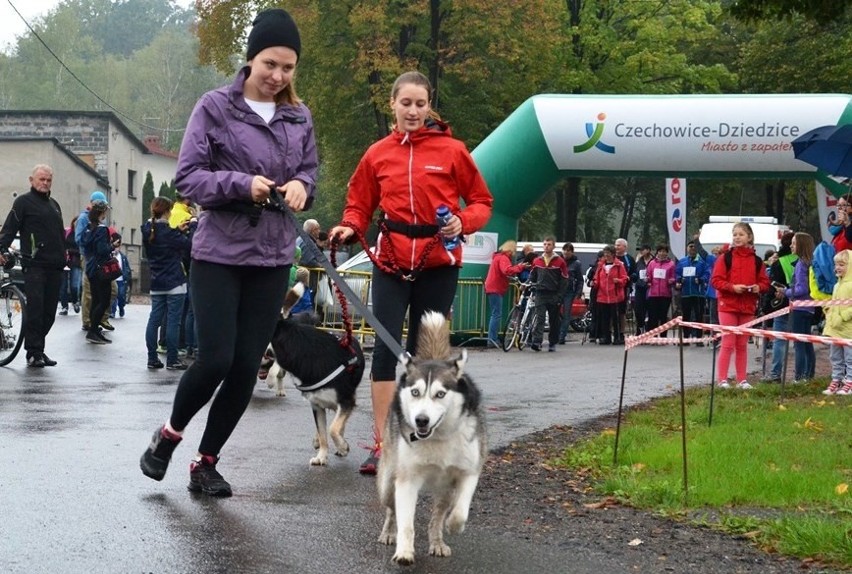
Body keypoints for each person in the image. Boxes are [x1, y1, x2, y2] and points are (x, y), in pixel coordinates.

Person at [139, 7, 316, 497]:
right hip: (219, 253)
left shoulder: (299, 116)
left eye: (288, 68)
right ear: (251, 59)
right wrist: (243, 184)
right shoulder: (215, 107)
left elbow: (310, 172)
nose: (278, 77)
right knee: (215, 358)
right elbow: (188, 178)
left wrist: (302, 186)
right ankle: (169, 436)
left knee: (244, 366)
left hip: (273, 256)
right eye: (270, 65)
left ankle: (206, 463)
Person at [329, 70, 493, 475]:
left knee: (428, 356)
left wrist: (462, 221)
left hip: (438, 262)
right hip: (391, 260)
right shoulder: (377, 153)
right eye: (406, 103)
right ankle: (386, 444)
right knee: (385, 348)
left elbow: (481, 201)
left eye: (421, 104)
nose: (414, 111)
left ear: (429, 105)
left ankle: (427, 436)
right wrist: (350, 227)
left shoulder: (453, 150)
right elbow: (359, 204)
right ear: (393, 105)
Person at [0, 164, 64, 367]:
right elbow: (9, 229)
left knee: (49, 314)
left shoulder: (54, 204)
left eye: (48, 180)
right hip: (34, 264)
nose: (45, 183)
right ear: (32, 180)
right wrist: (1, 249)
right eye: (41, 179)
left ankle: (38, 348)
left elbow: (59, 235)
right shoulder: (23, 203)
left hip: (55, 266)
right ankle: (33, 352)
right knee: (35, 310)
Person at [711, 223, 770, 389]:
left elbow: (765, 282)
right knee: (728, 343)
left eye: (741, 234)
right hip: (727, 305)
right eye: (734, 234)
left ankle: (741, 379)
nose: (737, 237)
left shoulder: (757, 261)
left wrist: (759, 287)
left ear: (749, 237)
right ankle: (722, 379)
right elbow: (716, 280)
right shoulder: (725, 258)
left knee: (742, 345)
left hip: (748, 306)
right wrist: (733, 288)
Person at [142, 197, 193, 370]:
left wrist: (176, 230)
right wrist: (190, 229)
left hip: (156, 281)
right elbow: (189, 245)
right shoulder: (170, 234)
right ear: (166, 211)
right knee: (173, 322)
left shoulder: (147, 230)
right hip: (175, 282)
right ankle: (172, 360)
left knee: (154, 320)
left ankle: (152, 358)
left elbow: (164, 236)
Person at [776, 232, 815, 384]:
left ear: (801, 245)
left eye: (793, 243)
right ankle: (809, 375)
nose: (791, 245)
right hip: (810, 307)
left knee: (799, 343)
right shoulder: (809, 262)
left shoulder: (800, 264)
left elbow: (801, 289)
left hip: (799, 307)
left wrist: (784, 291)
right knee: (808, 342)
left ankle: (799, 377)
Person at [75, 191, 114, 333]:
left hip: (97, 259)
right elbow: (79, 239)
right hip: (89, 258)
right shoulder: (84, 219)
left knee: (108, 291)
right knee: (90, 293)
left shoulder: (98, 222)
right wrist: (95, 241)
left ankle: (100, 319)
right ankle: (89, 322)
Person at [762, 231, 797, 382]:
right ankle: (804, 375)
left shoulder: (779, 262)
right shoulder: (803, 259)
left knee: (779, 340)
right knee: (802, 342)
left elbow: (772, 286)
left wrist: (766, 306)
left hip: (782, 304)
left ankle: (776, 374)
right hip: (803, 304)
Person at [484, 239, 527, 348]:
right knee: (496, 314)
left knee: (495, 313)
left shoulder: (498, 257)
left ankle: (492, 338)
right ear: (510, 250)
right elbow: (506, 270)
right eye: (514, 251)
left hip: (492, 287)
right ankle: (492, 339)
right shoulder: (503, 258)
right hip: (496, 288)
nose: (514, 254)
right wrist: (520, 267)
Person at [529, 237, 568, 352]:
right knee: (540, 318)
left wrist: (560, 296)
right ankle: (537, 341)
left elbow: (564, 280)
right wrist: (530, 284)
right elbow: (533, 275)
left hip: (553, 294)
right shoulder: (537, 261)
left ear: (554, 246)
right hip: (540, 293)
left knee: (554, 320)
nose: (546, 246)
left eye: (549, 244)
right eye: (545, 244)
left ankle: (552, 342)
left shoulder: (560, 261)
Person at [822, 249, 852, 395]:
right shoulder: (836, 285)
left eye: (842, 264)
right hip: (834, 329)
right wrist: (828, 310)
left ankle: (850, 382)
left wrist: (843, 316)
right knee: (835, 357)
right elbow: (836, 303)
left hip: (848, 330)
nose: (838, 267)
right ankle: (836, 379)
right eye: (836, 264)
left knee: (850, 357)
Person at [591, 244, 627, 345]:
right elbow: (596, 278)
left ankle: (617, 337)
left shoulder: (619, 265)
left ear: (613, 254)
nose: (606, 255)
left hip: (615, 296)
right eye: (605, 253)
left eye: (608, 253)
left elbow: (625, 279)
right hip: (602, 296)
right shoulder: (600, 265)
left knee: (616, 318)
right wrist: (594, 283)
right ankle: (606, 337)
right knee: (604, 318)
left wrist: (618, 281)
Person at [675, 241, 708, 345]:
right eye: (690, 246)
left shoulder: (702, 261)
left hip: (698, 293)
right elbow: (677, 273)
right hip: (686, 293)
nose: (692, 248)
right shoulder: (683, 261)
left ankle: (698, 338)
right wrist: (679, 280)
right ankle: (685, 338)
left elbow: (707, 273)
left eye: (694, 247)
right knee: (686, 316)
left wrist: (701, 279)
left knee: (698, 315)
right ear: (687, 248)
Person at [645, 245, 676, 336]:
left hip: (665, 293)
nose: (662, 253)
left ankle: (663, 336)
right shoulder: (652, 263)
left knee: (663, 316)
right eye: (660, 251)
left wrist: (672, 281)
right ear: (657, 252)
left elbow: (673, 276)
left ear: (667, 253)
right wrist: (647, 280)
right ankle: (653, 335)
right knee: (653, 316)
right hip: (653, 293)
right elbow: (648, 275)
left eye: (664, 251)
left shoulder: (671, 264)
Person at [558, 242, 584, 344]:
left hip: (569, 291)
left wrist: (578, 292)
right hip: (558, 290)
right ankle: (556, 334)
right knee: (555, 313)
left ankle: (562, 336)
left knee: (566, 314)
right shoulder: (558, 261)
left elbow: (580, 279)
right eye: (564, 250)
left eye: (568, 250)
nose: (566, 252)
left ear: (572, 252)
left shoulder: (576, 263)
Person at [59, 216, 82, 316]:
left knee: (74, 285)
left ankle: (75, 301)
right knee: (63, 285)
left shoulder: (82, 235)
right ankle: (64, 307)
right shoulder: (67, 232)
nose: (77, 225)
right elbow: (61, 243)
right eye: (75, 223)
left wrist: (71, 251)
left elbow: (82, 250)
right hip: (64, 262)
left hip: (75, 262)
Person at [614, 238, 634, 343]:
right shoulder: (611, 258)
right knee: (611, 311)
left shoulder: (629, 259)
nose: (616, 247)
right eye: (616, 245)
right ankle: (610, 332)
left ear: (625, 247)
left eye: (619, 245)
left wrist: (629, 278)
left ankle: (621, 333)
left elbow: (634, 273)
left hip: (624, 288)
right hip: (610, 289)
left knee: (622, 311)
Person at [631, 244, 653, 335]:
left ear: (648, 250)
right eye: (640, 250)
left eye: (643, 250)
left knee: (651, 311)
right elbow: (634, 274)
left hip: (651, 288)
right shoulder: (638, 262)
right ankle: (640, 327)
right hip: (640, 289)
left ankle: (649, 330)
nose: (641, 252)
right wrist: (634, 277)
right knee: (638, 310)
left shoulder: (654, 261)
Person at [109, 233, 131, 318]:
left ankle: (121, 307)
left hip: (121, 279)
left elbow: (127, 268)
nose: (116, 249)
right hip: (113, 279)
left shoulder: (123, 257)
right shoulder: (110, 256)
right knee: (114, 295)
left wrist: (127, 276)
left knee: (121, 295)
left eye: (117, 247)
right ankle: (113, 311)